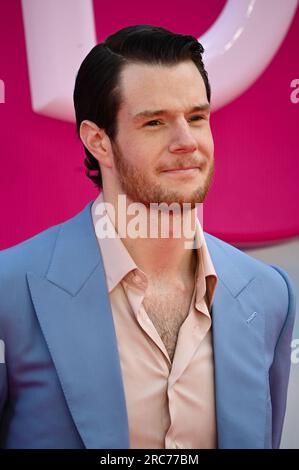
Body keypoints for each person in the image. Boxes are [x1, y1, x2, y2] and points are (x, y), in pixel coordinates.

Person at [0, 25, 295, 449]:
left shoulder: (270, 296)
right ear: (98, 141)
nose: (186, 142)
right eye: (155, 122)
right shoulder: (10, 289)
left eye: (196, 117)